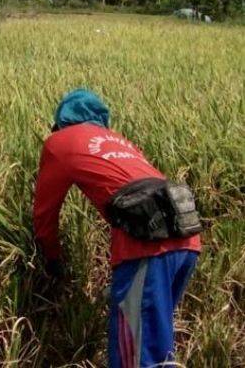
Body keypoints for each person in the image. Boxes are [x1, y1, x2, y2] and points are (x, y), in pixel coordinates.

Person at [32, 89, 202, 368]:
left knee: (135, 360)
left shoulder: (59, 142)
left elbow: (44, 213)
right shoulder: (121, 141)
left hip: (145, 245)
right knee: (157, 351)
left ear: (61, 121)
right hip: (187, 238)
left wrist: (51, 258)